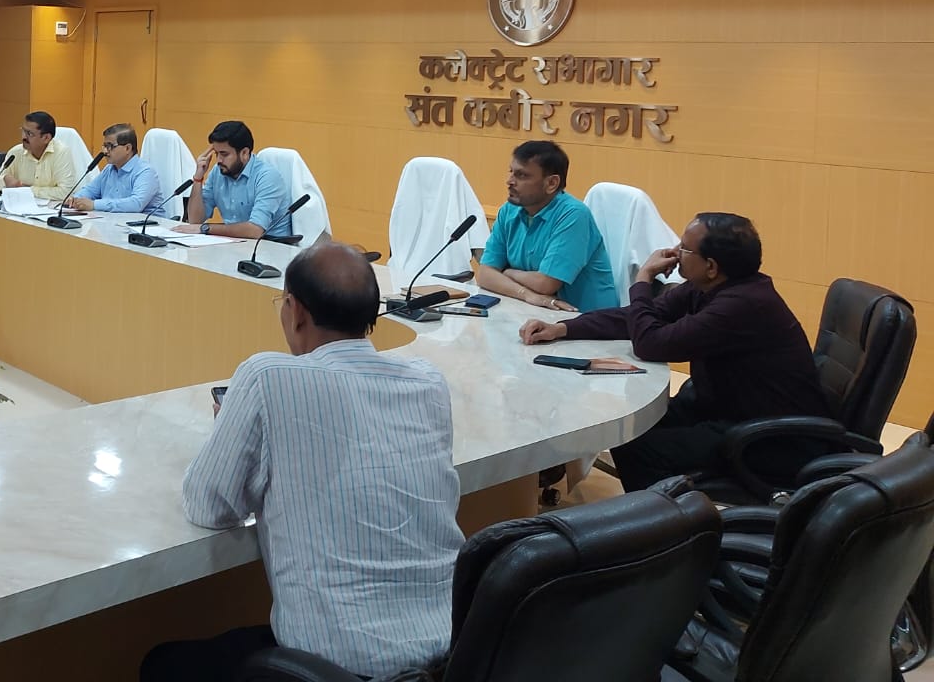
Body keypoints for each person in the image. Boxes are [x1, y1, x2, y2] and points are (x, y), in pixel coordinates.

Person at [142, 242, 461, 682]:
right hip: (453, 655)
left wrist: (230, 429)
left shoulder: (267, 377)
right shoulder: (428, 382)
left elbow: (208, 506)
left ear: (294, 311)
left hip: (339, 667)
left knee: (163, 664)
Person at [520, 212, 832, 492]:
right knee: (627, 427)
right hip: (725, 408)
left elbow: (650, 343)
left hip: (771, 438)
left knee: (640, 447)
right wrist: (563, 328)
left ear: (711, 266)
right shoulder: (710, 287)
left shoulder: (742, 305)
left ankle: (664, 526)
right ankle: (656, 514)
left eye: (684, 248)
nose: (674, 252)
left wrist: (643, 279)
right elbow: (637, 318)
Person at [474, 140, 614, 313]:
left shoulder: (574, 215)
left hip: (585, 319)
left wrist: (508, 272)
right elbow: (485, 274)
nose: (509, 181)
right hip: (537, 311)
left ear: (551, 183)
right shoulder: (509, 210)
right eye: (511, 172)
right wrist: (526, 294)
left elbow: (545, 284)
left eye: (521, 175)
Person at [175, 119, 292, 238]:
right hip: (234, 242)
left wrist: (205, 228)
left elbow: (255, 230)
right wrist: (198, 178)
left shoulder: (267, 177)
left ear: (244, 153)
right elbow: (195, 220)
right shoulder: (218, 171)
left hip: (269, 244)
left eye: (224, 154)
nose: (219, 160)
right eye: (216, 154)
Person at [64, 123, 163, 215]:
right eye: (104, 146)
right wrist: (75, 199)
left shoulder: (145, 172)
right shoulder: (109, 169)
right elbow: (91, 190)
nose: (105, 151)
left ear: (127, 148)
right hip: (114, 221)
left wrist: (94, 205)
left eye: (110, 146)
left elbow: (136, 204)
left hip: (145, 224)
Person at [0, 110, 79, 203]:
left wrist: (25, 190)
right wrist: (6, 183)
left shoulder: (61, 153)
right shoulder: (16, 152)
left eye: (29, 134)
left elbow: (66, 192)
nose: (23, 137)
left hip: (50, 210)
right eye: (23, 131)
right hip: (19, 207)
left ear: (46, 138)